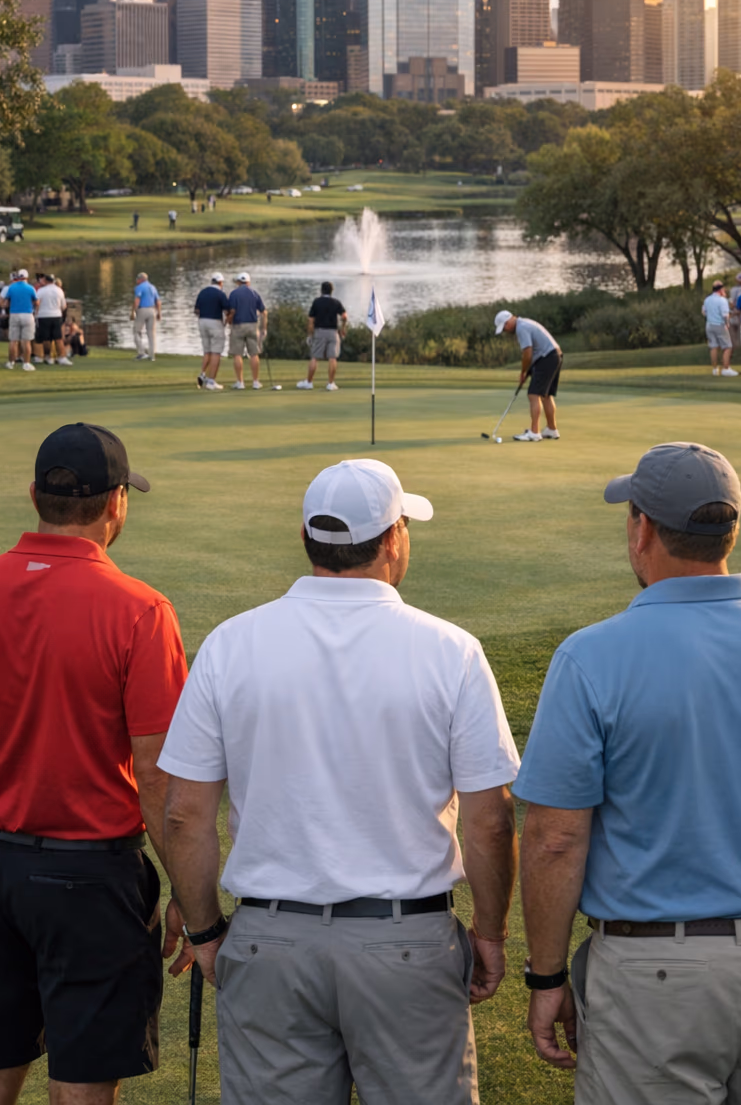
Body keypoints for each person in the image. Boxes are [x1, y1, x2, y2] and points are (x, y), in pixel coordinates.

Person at [515, 440, 741, 1103]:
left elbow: (555, 838)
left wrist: (546, 977)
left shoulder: (590, 656)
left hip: (652, 975)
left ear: (643, 530)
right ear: (729, 532)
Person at [158, 458, 521, 1105]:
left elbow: (185, 814)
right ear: (393, 540)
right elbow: (489, 820)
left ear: (307, 538)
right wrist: (490, 933)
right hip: (407, 947)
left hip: (270, 944)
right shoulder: (452, 650)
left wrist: (206, 931)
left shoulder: (230, 644)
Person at [0, 423, 192, 1103]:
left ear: (35, 496)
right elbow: (156, 775)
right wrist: (189, 887)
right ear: (117, 503)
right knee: (81, 1081)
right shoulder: (142, 611)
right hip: (89, 879)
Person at [494, 309, 563, 441]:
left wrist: (523, 372)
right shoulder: (525, 322)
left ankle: (534, 432)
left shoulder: (521, 328)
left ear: (508, 322)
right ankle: (552, 429)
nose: (505, 331)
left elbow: (528, 353)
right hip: (555, 355)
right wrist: (529, 370)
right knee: (546, 395)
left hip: (547, 357)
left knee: (533, 394)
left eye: (504, 328)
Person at [297, 280, 348, 390]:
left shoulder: (317, 302)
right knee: (332, 358)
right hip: (333, 332)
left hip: (320, 331)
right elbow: (344, 316)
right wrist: (343, 328)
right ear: (332, 291)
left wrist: (310, 335)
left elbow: (311, 320)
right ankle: (331, 383)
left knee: (315, 357)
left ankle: (309, 382)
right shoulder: (336, 302)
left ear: (321, 290)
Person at [226, 271, 267, 390]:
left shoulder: (234, 293)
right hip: (252, 325)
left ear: (239, 282)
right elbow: (264, 312)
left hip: (238, 326)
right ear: (248, 282)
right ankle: (255, 382)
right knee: (254, 354)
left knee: (237, 354)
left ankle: (240, 382)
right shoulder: (254, 293)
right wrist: (264, 328)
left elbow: (232, 311)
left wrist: (228, 322)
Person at [0, 269, 38, 372]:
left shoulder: (11, 288)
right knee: (26, 341)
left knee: (13, 340)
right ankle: (26, 363)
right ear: (27, 277)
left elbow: (3, 302)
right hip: (27, 314)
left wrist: (6, 306)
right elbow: (36, 302)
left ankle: (11, 363)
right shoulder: (31, 288)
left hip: (14, 314)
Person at [194, 273, 228, 391]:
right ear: (220, 282)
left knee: (207, 351)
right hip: (215, 322)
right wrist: (226, 322)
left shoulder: (202, 292)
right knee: (216, 352)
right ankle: (211, 381)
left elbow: (196, 310)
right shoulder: (220, 294)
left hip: (202, 322)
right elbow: (227, 311)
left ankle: (203, 374)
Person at [702, 278, 737, 376]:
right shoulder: (722, 300)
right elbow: (725, 315)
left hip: (709, 325)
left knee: (713, 347)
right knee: (727, 346)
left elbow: (704, 312)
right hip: (719, 325)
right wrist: (727, 323)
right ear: (720, 290)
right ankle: (726, 368)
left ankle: (715, 369)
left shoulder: (707, 299)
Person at [34, 274, 70, 366]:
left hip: (43, 316)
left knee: (46, 339)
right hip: (56, 316)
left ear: (46, 281)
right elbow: (64, 306)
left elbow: (36, 303)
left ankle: (48, 357)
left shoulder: (41, 291)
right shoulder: (59, 290)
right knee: (58, 338)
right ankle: (62, 357)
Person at [130, 271, 161, 361]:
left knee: (136, 331)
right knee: (151, 333)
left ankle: (142, 353)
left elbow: (137, 300)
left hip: (142, 309)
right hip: (152, 310)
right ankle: (152, 355)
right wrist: (159, 313)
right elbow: (158, 301)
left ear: (140, 279)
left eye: (137, 279)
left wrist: (133, 312)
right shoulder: (153, 287)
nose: (136, 281)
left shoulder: (139, 287)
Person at [727, 270, 741, 356]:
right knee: (737, 332)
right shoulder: (735, 290)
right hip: (737, 312)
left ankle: (740, 349)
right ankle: (737, 348)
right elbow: (732, 302)